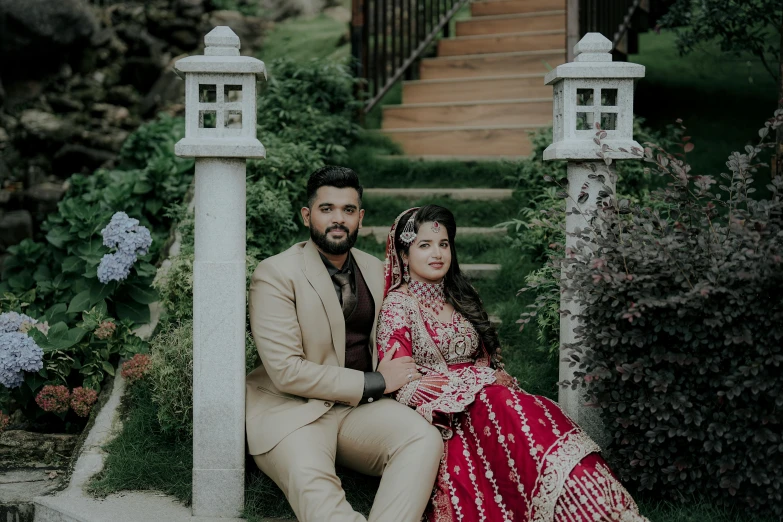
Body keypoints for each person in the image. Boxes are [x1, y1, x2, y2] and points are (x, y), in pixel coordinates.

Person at [377, 204, 650, 522]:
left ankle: (600, 508)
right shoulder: (399, 306)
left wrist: (490, 377)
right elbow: (403, 385)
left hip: (489, 400)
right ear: (404, 256)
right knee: (509, 410)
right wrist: (477, 384)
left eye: (444, 244)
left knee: (532, 415)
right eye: (424, 245)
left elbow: (483, 359)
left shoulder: (462, 294)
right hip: (445, 415)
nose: (437, 253)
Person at [245, 167, 443, 522]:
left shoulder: (377, 270)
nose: (339, 219)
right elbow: (286, 372)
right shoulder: (275, 274)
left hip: (360, 410)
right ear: (307, 215)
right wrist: (376, 381)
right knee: (315, 489)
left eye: (348, 210)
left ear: (360, 217)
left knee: (423, 439)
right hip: (293, 411)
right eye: (327, 209)